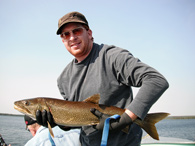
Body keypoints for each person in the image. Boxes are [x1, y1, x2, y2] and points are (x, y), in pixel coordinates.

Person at [36, 11, 169, 146]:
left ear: (89, 33)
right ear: (63, 40)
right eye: (66, 34)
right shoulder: (63, 79)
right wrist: (59, 122)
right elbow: (79, 121)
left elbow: (156, 80)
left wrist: (127, 118)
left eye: (76, 31)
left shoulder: (112, 57)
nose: (71, 38)